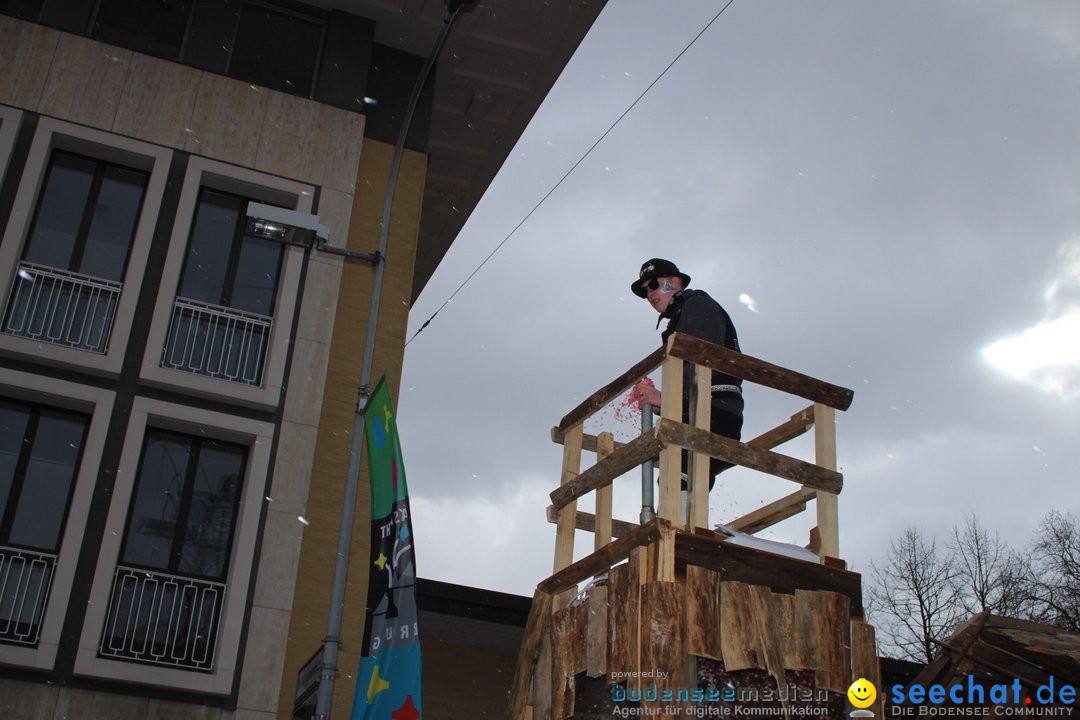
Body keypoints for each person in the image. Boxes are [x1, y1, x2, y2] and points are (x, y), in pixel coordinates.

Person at [630, 258, 743, 490]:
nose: (650, 294)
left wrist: (666, 401)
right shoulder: (681, 317)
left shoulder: (697, 306)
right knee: (679, 472)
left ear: (676, 282)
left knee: (678, 471)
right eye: (645, 291)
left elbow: (700, 367)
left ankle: (676, 524)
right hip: (707, 411)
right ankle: (679, 524)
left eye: (654, 285)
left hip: (714, 411)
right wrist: (665, 403)